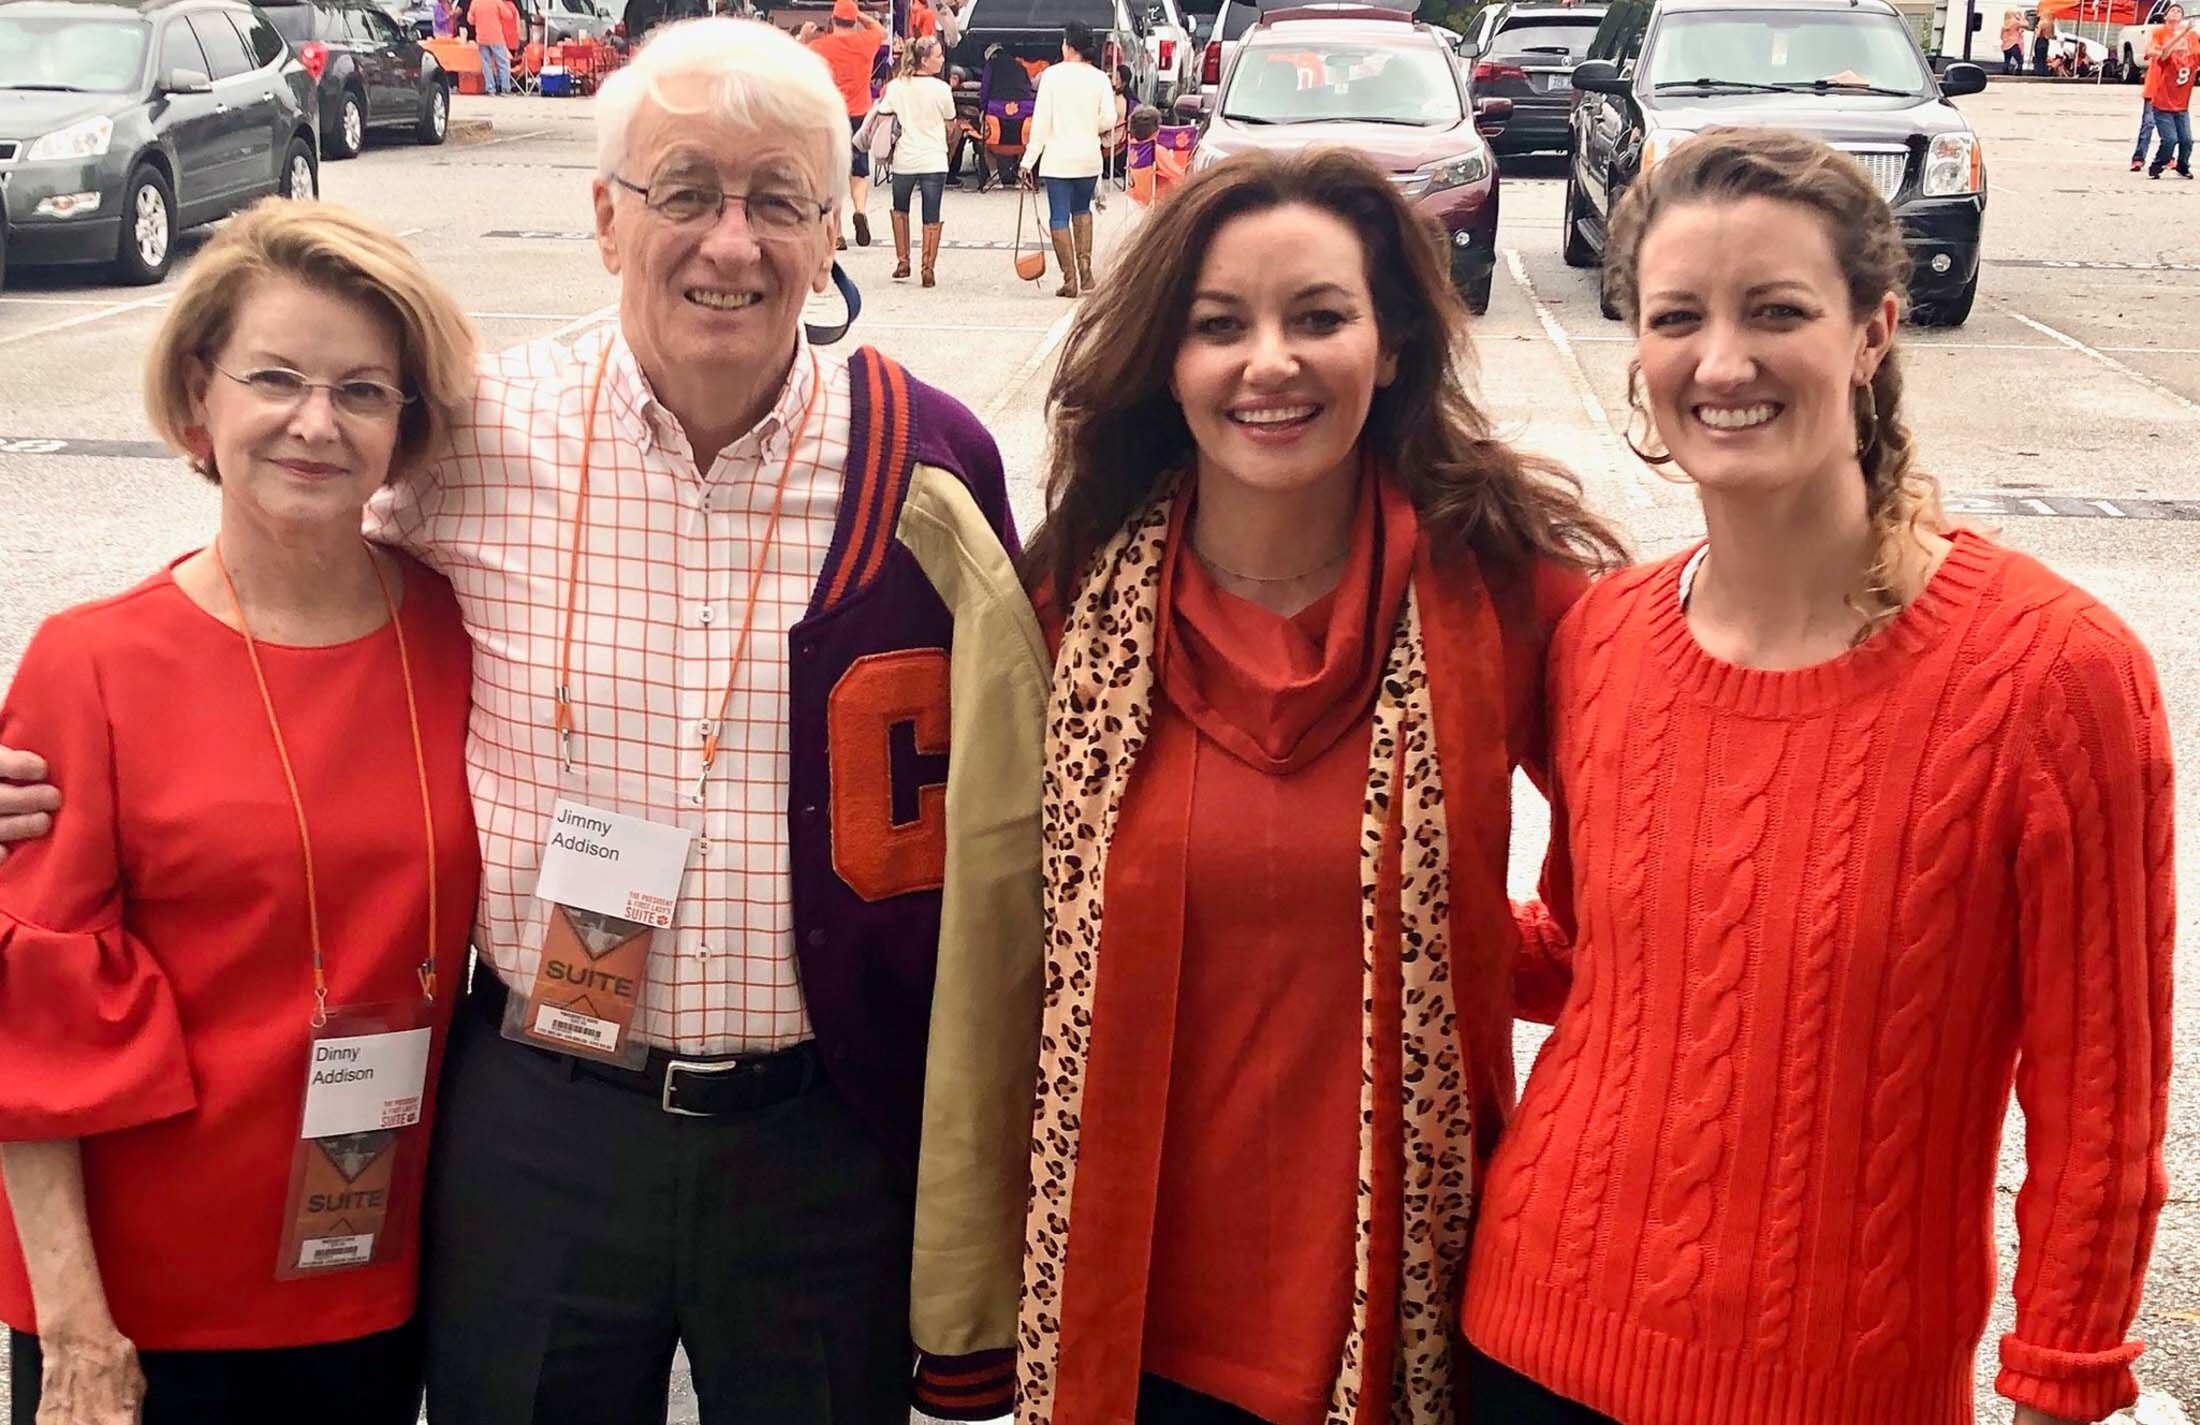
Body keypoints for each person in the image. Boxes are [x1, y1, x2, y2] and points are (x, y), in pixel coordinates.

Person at [0, 18, 1047, 1425]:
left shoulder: (926, 453)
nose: (729, 244)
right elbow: (261, 563)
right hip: (542, 1119)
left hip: (821, 1134)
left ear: (835, 220)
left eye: (778, 200)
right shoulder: (482, 432)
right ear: (605, 217)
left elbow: (1026, 745)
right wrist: (57, 730)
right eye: (683, 191)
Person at [1461, 128, 2174, 1425]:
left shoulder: (2053, 675)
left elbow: (2100, 1102)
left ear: (1873, 331)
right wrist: (1359, 898)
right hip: (1528, 1337)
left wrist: (2063, 1380)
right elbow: (1581, 951)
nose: (1721, 360)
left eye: (1776, 311)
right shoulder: (1607, 637)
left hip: (1841, 1383)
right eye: (1678, 315)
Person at [1013, 147, 1624, 1425]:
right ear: (1166, 363)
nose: (1269, 363)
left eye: (1319, 317)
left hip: (1410, 1302)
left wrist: (1449, 935)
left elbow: (1639, 895)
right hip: (1127, 1317)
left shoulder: (1503, 594)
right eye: (1218, 326)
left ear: (1390, 347)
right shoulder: (1070, 602)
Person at [0, 201, 480, 1425]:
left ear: (402, 427)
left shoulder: (458, 630)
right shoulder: (91, 663)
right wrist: (74, 1329)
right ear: (198, 399)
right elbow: (28, 1020)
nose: (316, 423)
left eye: (363, 391)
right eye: (276, 378)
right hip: (143, 1303)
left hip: (378, 1267)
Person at [1020, 19, 1118, 297]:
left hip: (1058, 159)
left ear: (1069, 46)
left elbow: (1041, 123)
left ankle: (1069, 278)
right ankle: (1085, 268)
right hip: (1088, 158)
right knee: (1082, 211)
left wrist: (1028, 160)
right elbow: (1109, 118)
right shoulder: (1100, 78)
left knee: (1059, 216)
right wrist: (1089, 124)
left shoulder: (1052, 76)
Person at [803, 0, 888, 246]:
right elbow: (879, 31)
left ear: (833, 19)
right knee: (858, 172)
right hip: (859, 112)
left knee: (834, 174)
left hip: (831, 114)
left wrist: (805, 37)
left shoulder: (819, 46)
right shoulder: (866, 42)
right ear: (853, 20)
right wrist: (859, 13)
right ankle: (860, 211)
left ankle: (837, 234)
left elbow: (794, 59)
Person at [876, 34, 957, 285]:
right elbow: (951, 120)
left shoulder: (898, 86)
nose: (942, 60)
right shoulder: (942, 89)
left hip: (905, 157)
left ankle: (903, 261)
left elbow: (883, 111)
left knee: (900, 208)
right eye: (938, 56)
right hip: (934, 157)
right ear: (925, 60)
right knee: (931, 214)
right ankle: (928, 267)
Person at [2143, 6, 2198, 177]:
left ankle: (2182, 166)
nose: (2182, 44)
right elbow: (2164, 51)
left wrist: (2187, 34)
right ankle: (2157, 165)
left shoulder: (2193, 58)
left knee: (2187, 141)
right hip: (2162, 106)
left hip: (2181, 107)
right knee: (2170, 140)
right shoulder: (2168, 58)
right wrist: (2181, 34)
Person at [979, 43, 1038, 192]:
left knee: (984, 140)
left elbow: (985, 89)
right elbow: (1029, 87)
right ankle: (1021, 175)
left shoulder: (991, 64)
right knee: (1027, 139)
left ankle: (994, 175)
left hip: (996, 113)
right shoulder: (1020, 66)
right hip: (1024, 110)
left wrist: (983, 108)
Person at [471, 0, 520, 92]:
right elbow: (508, 15)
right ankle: (505, 88)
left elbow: (470, 20)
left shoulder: (475, 2)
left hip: (481, 37)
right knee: (503, 63)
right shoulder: (496, 1)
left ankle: (490, 88)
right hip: (496, 37)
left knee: (486, 64)